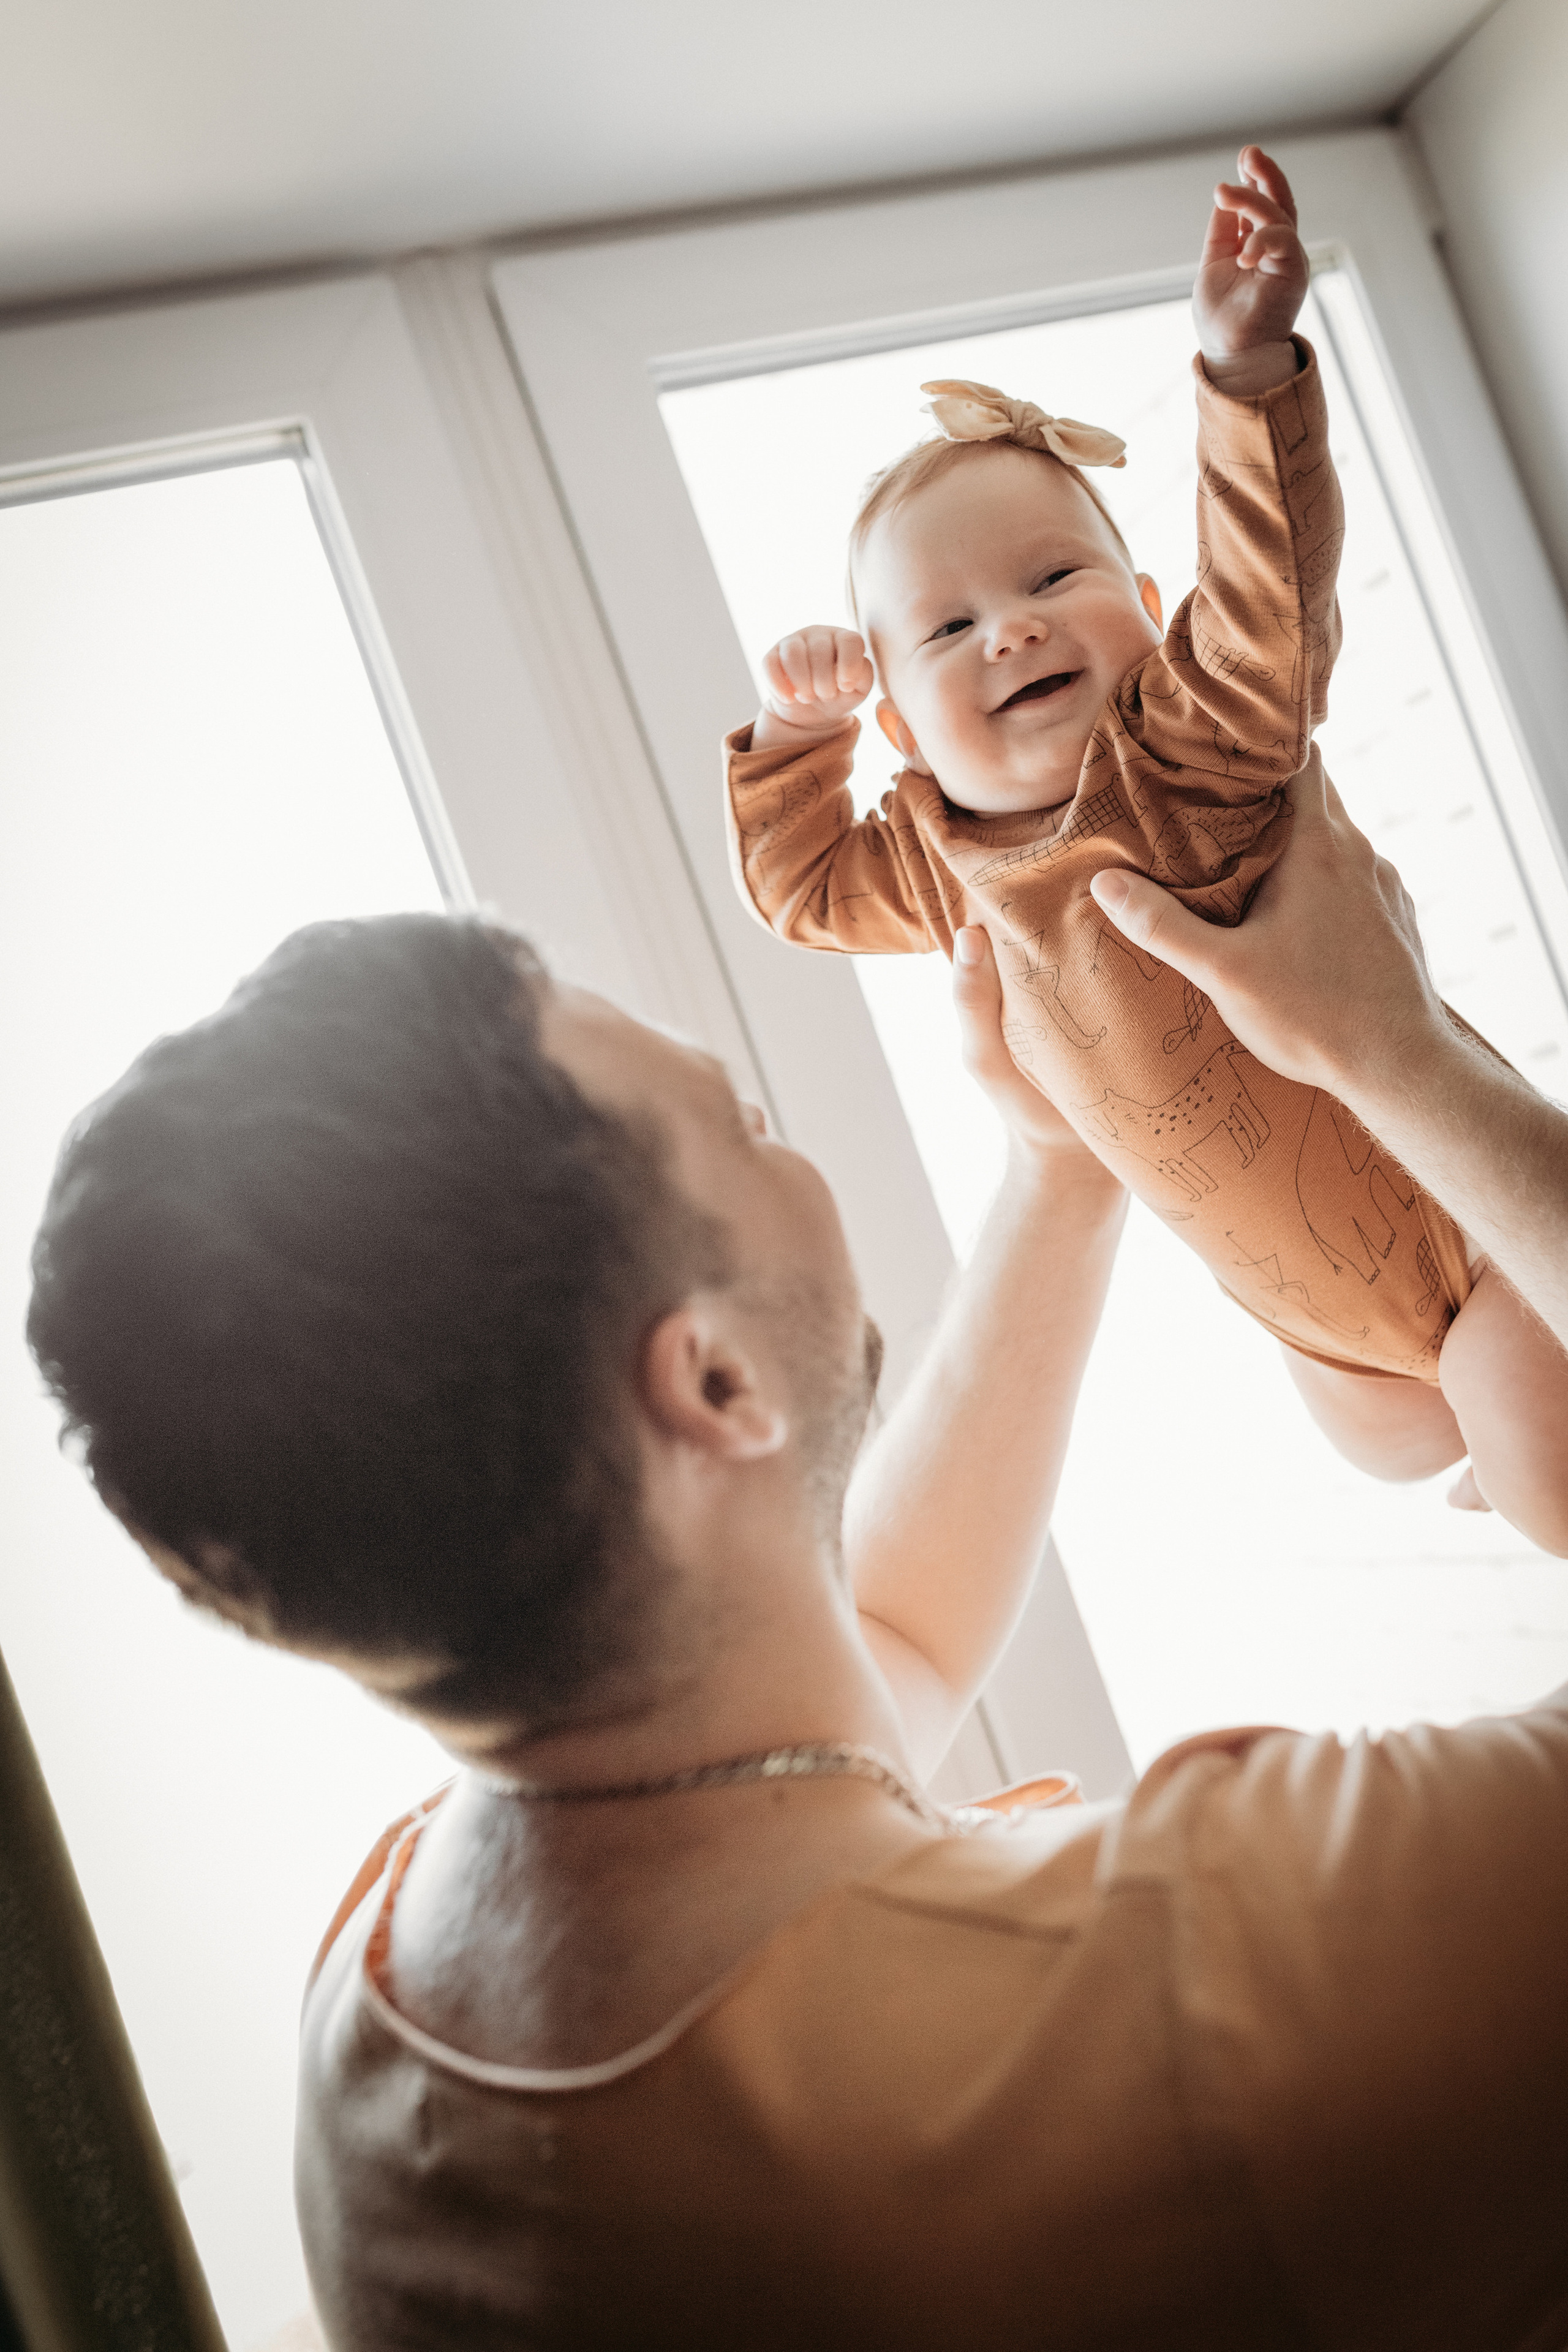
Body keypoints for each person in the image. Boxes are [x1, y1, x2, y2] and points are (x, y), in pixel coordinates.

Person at [24, 751, 1568, 2347]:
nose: (785, 1144)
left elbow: (868, 1661)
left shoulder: (398, 1997)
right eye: (745, 1125)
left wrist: (1063, 1172)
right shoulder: (1216, 1981)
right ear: (713, 1382)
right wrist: (1389, 1049)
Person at [724, 145, 1568, 1552]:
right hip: (1316, 1330)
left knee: (1537, 1464)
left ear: (1151, 607)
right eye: (944, 631)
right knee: (1406, 1440)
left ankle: (1519, 1433)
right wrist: (791, 739)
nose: (1011, 626)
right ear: (902, 734)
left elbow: (1267, 607)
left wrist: (1242, 377)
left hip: (1473, 1251)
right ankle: (1487, 1432)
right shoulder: (939, 865)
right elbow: (800, 892)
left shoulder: (1188, 751)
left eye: (1055, 576)